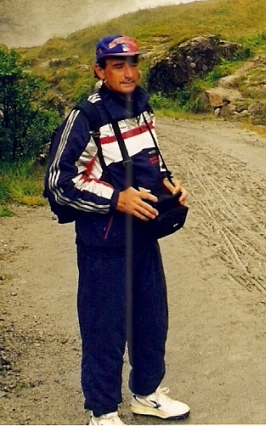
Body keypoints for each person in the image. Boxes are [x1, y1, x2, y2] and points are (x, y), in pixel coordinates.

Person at [46, 34, 190, 426]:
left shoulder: (141, 107)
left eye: (132, 64)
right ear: (100, 70)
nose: (128, 73)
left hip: (143, 234)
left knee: (151, 319)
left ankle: (146, 394)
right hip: (104, 243)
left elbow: (151, 160)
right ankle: (104, 412)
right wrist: (116, 200)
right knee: (104, 328)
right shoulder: (85, 118)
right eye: (117, 65)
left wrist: (169, 183)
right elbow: (59, 182)